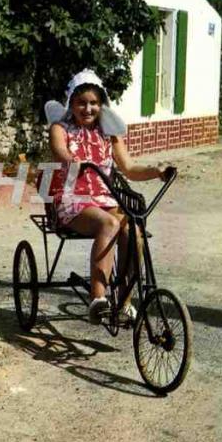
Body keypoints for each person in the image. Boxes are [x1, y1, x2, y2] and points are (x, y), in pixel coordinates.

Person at [47, 69, 173, 325]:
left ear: (101, 104)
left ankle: (125, 300)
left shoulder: (109, 134)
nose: (88, 108)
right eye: (81, 103)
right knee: (110, 224)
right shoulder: (60, 129)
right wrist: (74, 161)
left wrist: (157, 171)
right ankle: (98, 299)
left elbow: (129, 168)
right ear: (71, 102)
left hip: (105, 199)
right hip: (73, 199)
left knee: (134, 231)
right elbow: (60, 152)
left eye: (94, 103)